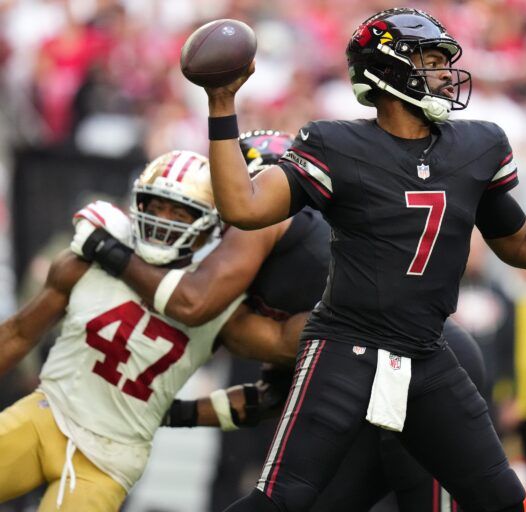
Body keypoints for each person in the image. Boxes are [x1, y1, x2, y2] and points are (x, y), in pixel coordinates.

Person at [201, 8, 526, 512]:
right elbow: (244, 206)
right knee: (282, 501)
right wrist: (221, 104)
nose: (444, 75)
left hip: (425, 351)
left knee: (502, 499)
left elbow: (516, 239)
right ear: (385, 71)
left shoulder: (477, 146)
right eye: (430, 61)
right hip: (347, 346)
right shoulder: (335, 144)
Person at [74, 130, 492, 511]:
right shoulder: (272, 276)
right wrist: (168, 412)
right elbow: (267, 397)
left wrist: (108, 252)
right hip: (373, 386)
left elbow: (197, 306)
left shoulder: (268, 226)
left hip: (419, 372)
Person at [0, 150, 305, 511]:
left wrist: (183, 414)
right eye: (156, 205)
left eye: (180, 212)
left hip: (108, 460)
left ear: (208, 224)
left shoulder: (218, 306)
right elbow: (19, 333)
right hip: (45, 414)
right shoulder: (88, 260)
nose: (163, 220)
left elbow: (287, 362)